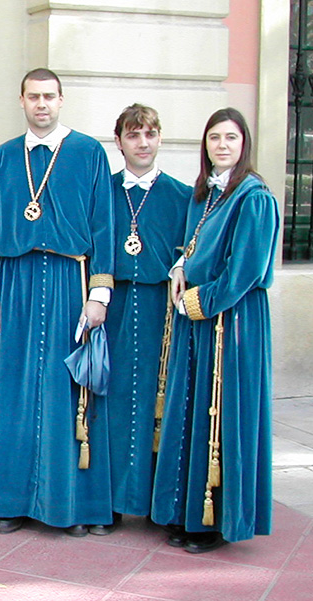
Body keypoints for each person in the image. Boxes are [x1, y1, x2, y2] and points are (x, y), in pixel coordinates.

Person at [0, 68, 115, 536]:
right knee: (14, 391)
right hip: (15, 282)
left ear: (61, 100)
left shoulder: (88, 152)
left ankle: (69, 506)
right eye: (34, 96)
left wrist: (99, 294)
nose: (41, 104)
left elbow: (104, 224)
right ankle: (11, 501)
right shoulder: (3, 157)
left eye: (49, 96)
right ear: (21, 101)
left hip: (69, 279)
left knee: (66, 393)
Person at [152, 107, 278, 553]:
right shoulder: (205, 194)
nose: (222, 145)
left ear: (244, 144)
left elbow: (247, 270)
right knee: (192, 409)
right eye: (214, 138)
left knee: (222, 414)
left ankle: (215, 521)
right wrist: (180, 268)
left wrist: (200, 301)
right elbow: (191, 246)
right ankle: (187, 513)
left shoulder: (253, 197)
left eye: (231, 138)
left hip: (232, 321)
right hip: (197, 323)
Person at [98, 104, 191, 533]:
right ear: (119, 142)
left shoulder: (182, 195)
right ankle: (110, 502)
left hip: (160, 312)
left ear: (159, 138)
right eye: (133, 135)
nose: (142, 143)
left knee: (160, 400)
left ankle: (158, 502)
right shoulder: (103, 191)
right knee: (112, 402)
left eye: (150, 134)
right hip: (113, 306)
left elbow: (192, 250)